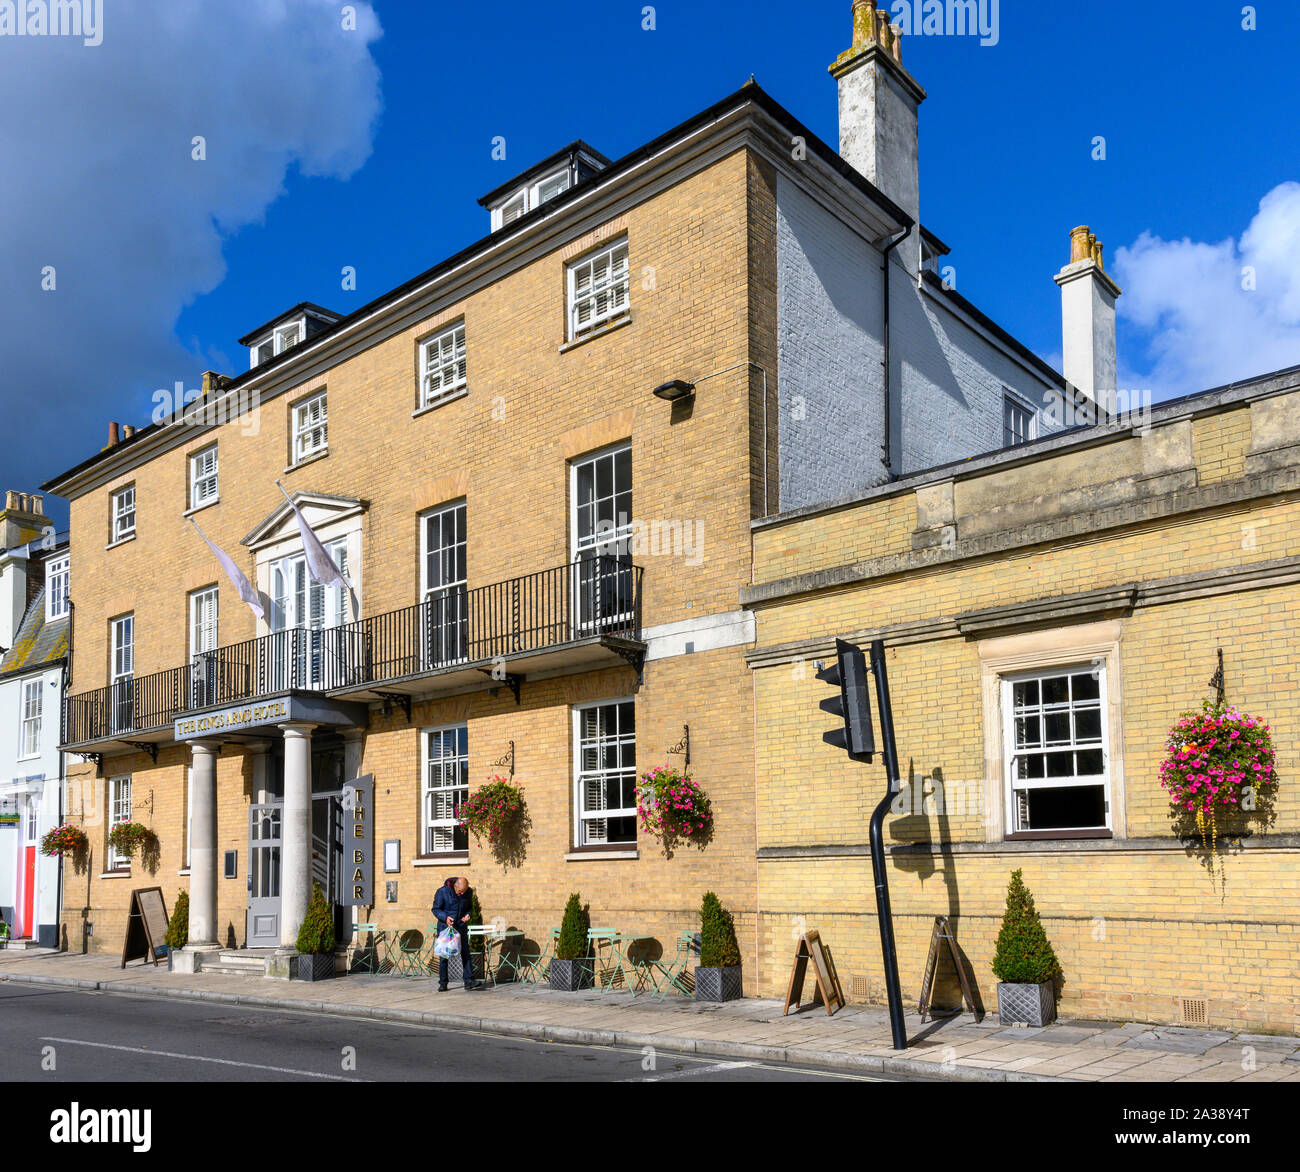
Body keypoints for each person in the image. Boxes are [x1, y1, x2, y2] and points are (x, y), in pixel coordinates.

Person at [432, 876, 480, 991]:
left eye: (464, 891)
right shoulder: (442, 892)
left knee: (466, 953)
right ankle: (443, 983)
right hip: (445, 927)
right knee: (444, 955)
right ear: (455, 886)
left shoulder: (467, 892)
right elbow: (436, 909)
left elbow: (469, 908)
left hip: (461, 926)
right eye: (460, 891)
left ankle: (468, 981)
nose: (462, 893)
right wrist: (445, 918)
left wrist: (468, 915)